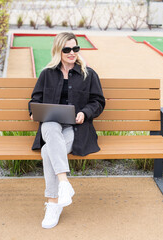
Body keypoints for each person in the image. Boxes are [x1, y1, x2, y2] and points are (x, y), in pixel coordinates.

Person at [28, 32, 105, 229]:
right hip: (50, 125)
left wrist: (85, 113)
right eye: (67, 49)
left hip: (76, 129)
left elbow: (98, 102)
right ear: (58, 50)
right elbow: (34, 100)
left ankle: (53, 201)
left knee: (48, 151)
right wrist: (33, 112)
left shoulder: (88, 73)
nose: (72, 53)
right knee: (51, 127)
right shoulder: (47, 73)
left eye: (75, 48)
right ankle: (63, 184)